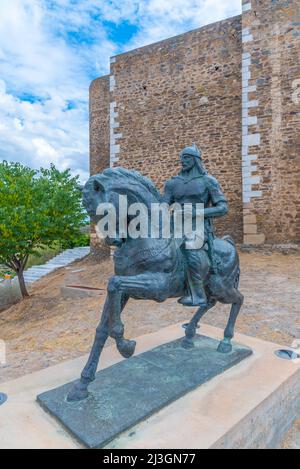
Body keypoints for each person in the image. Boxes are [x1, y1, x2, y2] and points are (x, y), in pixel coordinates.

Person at [163, 144, 228, 306]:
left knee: (189, 248)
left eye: (186, 157)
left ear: (195, 160)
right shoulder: (173, 183)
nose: (182, 161)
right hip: (174, 225)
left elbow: (223, 208)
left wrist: (197, 213)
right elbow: (163, 205)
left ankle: (198, 294)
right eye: (181, 157)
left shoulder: (208, 181)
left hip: (199, 227)